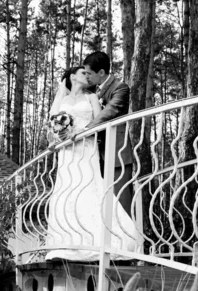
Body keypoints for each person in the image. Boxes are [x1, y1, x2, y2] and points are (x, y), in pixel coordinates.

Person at [45, 66, 139, 262]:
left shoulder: (92, 97)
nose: (87, 76)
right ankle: (66, 245)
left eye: (89, 73)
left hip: (86, 148)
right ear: (72, 77)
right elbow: (51, 129)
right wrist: (56, 138)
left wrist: (78, 134)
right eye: (83, 74)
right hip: (67, 153)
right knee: (67, 191)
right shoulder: (61, 101)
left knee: (89, 187)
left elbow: (100, 123)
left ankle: (99, 242)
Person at [84, 51, 133, 216]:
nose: (87, 77)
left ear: (101, 72)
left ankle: (128, 241)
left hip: (117, 154)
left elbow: (110, 111)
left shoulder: (120, 87)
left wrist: (85, 131)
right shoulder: (94, 91)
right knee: (103, 205)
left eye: (89, 73)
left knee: (121, 203)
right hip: (98, 154)